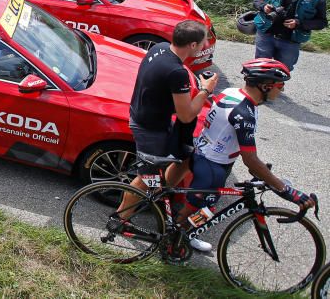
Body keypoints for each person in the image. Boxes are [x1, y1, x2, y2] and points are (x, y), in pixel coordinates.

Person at [176, 58, 316, 253]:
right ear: (266, 86)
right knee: (202, 208)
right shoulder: (244, 113)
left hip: (207, 155)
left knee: (206, 205)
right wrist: (286, 191)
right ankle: (176, 238)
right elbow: (250, 160)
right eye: (280, 86)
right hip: (212, 165)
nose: (282, 91)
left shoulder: (231, 93)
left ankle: (183, 231)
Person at [118, 21, 218, 226]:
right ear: (192, 45)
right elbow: (187, 116)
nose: (205, 44)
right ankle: (121, 218)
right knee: (147, 176)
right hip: (149, 127)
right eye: (203, 41)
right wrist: (206, 90)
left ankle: (158, 195)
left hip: (144, 114)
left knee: (183, 159)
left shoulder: (160, 48)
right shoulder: (176, 72)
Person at [252, 0, 326, 71]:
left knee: (283, 70)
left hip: (290, 40)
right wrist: (263, 6)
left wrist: (299, 23)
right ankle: (259, 86)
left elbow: (321, 22)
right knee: (261, 66)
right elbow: (257, 0)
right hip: (266, 34)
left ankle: (277, 87)